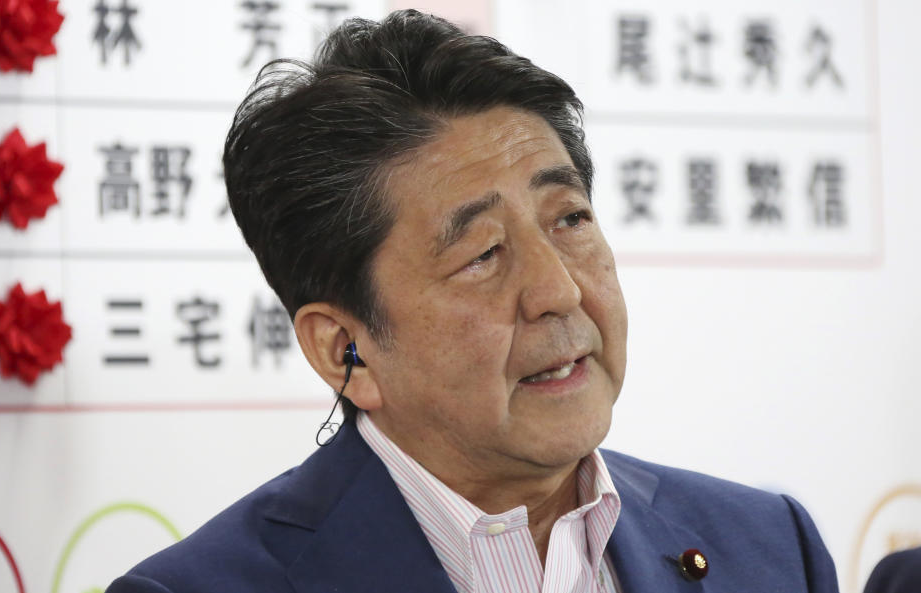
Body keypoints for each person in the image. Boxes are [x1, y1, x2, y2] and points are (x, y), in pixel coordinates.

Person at [106, 10, 839, 593]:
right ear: (344, 349)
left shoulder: (770, 546)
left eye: (570, 219)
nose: (558, 289)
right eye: (482, 255)